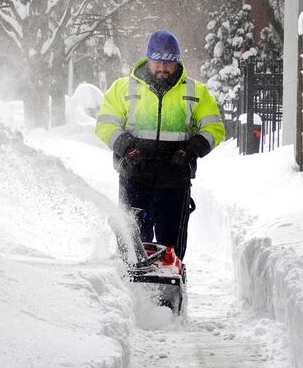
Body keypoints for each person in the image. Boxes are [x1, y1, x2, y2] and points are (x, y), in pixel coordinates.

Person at [95, 30, 225, 260]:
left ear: (177, 62)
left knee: (171, 249)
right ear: (148, 59)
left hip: (175, 180)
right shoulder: (123, 89)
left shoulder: (196, 93)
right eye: (158, 62)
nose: (163, 68)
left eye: (169, 63)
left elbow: (214, 128)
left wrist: (190, 150)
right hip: (134, 177)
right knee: (132, 244)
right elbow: (106, 124)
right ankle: (132, 290)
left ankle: (170, 292)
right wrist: (126, 146)